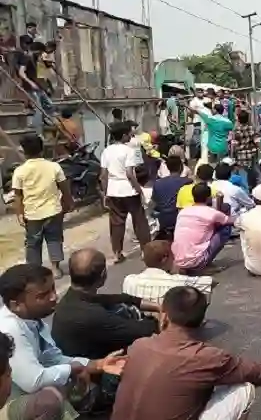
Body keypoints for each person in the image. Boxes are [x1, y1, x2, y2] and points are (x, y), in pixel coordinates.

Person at [111, 286, 261, 420]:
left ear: (163, 316)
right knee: (243, 388)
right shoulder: (207, 357)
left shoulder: (139, 345)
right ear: (201, 322)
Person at [0, 264, 126, 415]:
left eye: (53, 289)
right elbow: (34, 381)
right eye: (43, 295)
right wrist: (74, 368)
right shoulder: (10, 329)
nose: (54, 297)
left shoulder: (32, 319)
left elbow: (53, 358)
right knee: (52, 399)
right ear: (16, 305)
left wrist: (98, 364)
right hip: (12, 404)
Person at [51, 248, 158, 360]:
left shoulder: (71, 298)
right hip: (91, 371)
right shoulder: (93, 315)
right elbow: (145, 330)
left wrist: (154, 306)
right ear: (103, 274)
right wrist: (159, 317)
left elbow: (114, 299)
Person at [12, 135, 72, 278]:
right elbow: (64, 187)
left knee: (33, 243)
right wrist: (68, 202)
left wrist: (19, 214)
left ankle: (34, 271)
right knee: (54, 239)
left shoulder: (20, 171)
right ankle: (55, 269)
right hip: (53, 211)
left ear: (24, 152)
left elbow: (18, 195)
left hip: (32, 214)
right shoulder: (54, 166)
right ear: (42, 149)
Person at [101, 122, 151, 264]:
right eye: (130, 133)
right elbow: (130, 174)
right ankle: (145, 250)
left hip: (113, 191)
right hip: (129, 190)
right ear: (124, 136)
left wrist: (105, 193)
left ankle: (117, 253)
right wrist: (139, 189)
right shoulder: (128, 151)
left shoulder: (107, 151)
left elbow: (103, 175)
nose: (131, 135)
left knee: (116, 223)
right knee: (139, 220)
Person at [123, 240, 214, 304]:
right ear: (165, 259)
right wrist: (177, 273)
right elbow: (211, 282)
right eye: (173, 256)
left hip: (138, 323)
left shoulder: (129, 280)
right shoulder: (176, 282)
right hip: (165, 324)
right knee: (197, 294)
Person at [172, 183, 235, 273]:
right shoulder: (211, 213)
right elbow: (231, 221)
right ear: (209, 198)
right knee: (225, 228)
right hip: (197, 261)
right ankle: (204, 264)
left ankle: (192, 264)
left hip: (178, 260)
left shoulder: (183, 212)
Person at [152, 156, 193, 240]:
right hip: (180, 218)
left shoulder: (157, 183)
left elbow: (155, 203)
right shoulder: (187, 182)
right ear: (181, 167)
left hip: (163, 219)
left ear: (167, 167)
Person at [232, 111, 261, 185]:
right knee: (251, 170)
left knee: (242, 171)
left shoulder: (236, 130)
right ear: (248, 119)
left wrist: (233, 154)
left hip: (240, 154)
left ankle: (245, 187)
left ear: (238, 119)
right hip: (251, 153)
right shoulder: (251, 128)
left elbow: (234, 144)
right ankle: (252, 185)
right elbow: (257, 141)